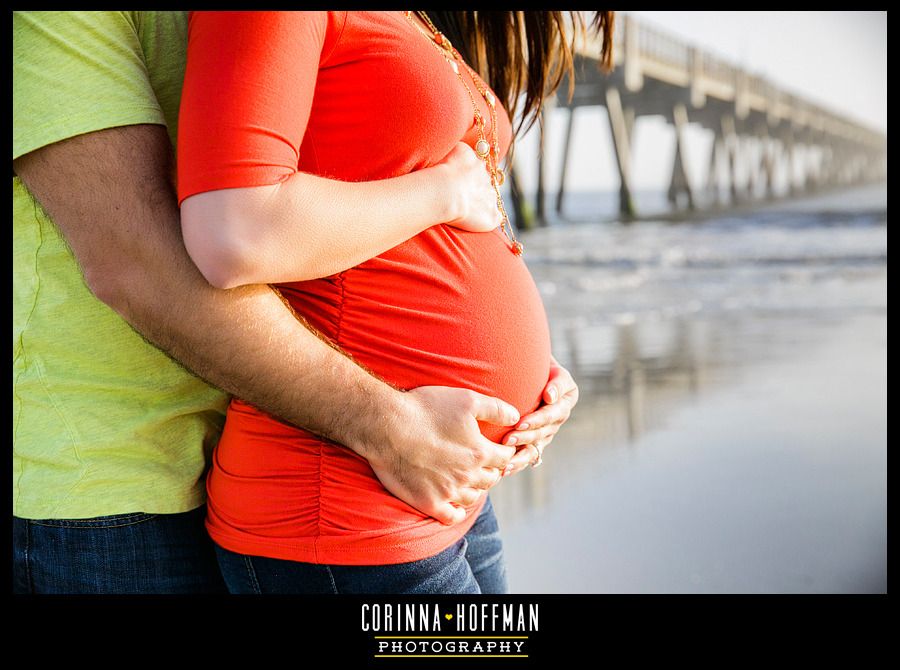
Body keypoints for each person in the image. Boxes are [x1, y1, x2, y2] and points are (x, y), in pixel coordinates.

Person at [12, 11, 582, 594]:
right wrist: (388, 428)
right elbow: (138, 261)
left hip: (389, 461)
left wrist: (526, 374)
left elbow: (357, 189)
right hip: (126, 487)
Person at [175, 10, 611, 594]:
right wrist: (444, 191)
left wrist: (537, 377)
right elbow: (233, 233)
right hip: (346, 506)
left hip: (444, 486)